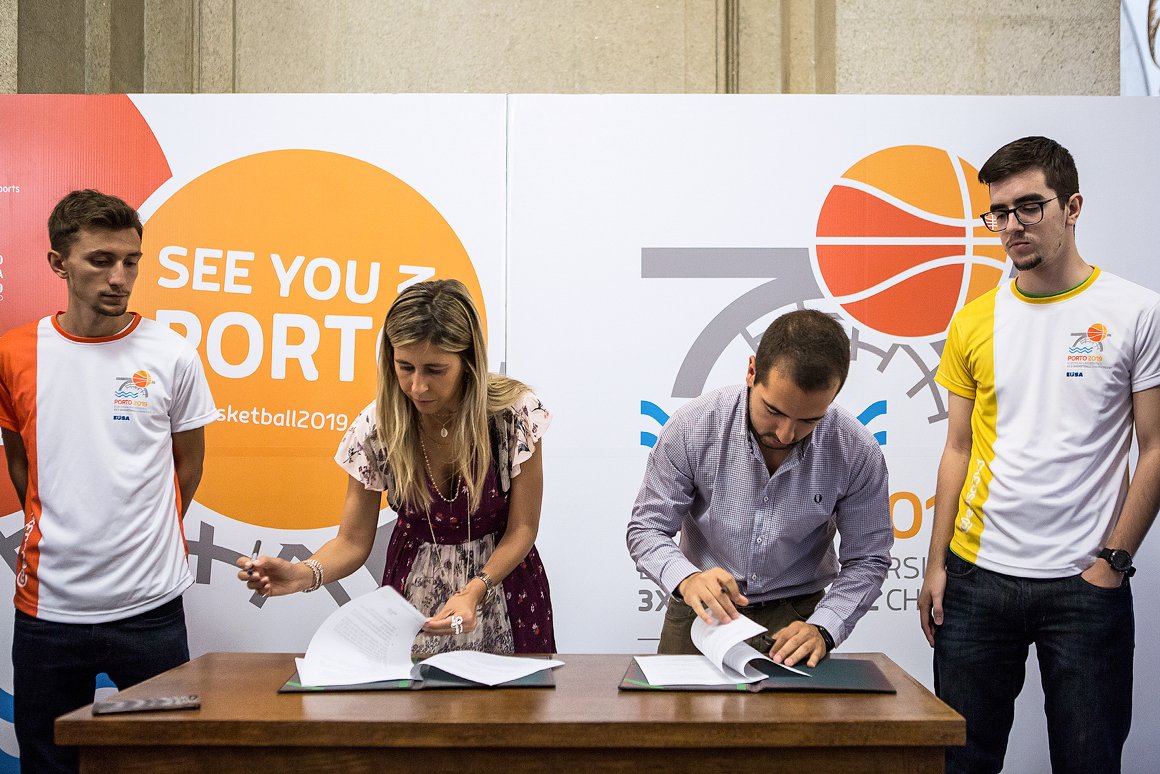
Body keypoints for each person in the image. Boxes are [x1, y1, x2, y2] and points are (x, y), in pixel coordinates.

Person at [918, 136, 1160, 774]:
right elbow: (957, 448)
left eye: (1030, 207)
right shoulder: (974, 320)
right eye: (999, 213)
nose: (1012, 226)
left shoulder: (1137, 312)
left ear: (1072, 206)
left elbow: (1156, 448)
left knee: (1088, 762)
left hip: (1085, 585)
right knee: (960, 764)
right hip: (975, 578)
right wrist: (937, 563)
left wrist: (1114, 562)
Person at [0, 190, 217, 773]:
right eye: (101, 260)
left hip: (150, 611)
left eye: (131, 261)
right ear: (58, 263)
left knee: (165, 763)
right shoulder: (14, 353)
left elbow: (188, 467)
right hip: (48, 611)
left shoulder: (172, 354)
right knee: (48, 763)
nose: (120, 278)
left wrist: (142, 535)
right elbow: (21, 463)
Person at [239, 278, 554, 654]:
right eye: (405, 367)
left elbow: (522, 528)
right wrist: (304, 573)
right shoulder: (376, 428)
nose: (417, 386)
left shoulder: (514, 415)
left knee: (510, 692)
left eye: (435, 370)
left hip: (505, 592)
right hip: (411, 599)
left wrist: (476, 588)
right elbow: (352, 541)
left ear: (468, 361)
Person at [627, 310, 892, 668]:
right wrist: (687, 580)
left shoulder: (856, 450)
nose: (786, 434)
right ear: (752, 371)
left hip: (798, 621)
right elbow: (647, 528)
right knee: (678, 708)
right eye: (774, 410)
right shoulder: (692, 428)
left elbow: (868, 558)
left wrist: (824, 628)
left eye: (809, 420)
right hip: (700, 609)